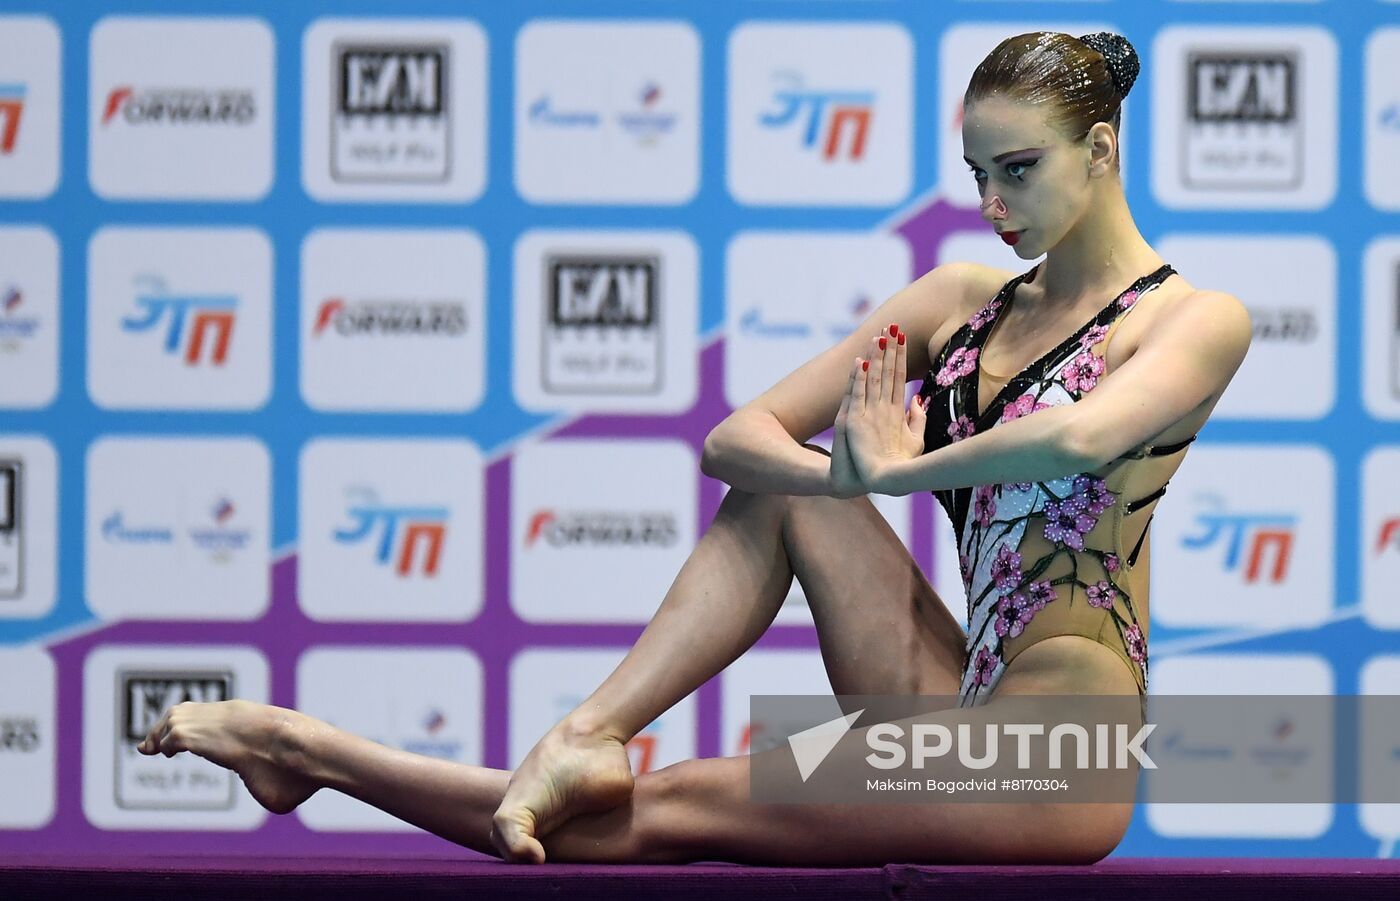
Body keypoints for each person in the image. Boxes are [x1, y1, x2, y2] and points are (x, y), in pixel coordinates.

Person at [137, 31, 1251, 866]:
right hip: (958, 699)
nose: (990, 204)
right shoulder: (962, 301)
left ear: (1098, 150)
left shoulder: (1192, 318)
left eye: (1017, 170)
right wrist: (840, 477)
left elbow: (1084, 430)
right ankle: (589, 725)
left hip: (1057, 753)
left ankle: (307, 749)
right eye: (975, 174)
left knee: (661, 813)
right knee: (786, 495)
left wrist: (895, 470)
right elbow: (736, 439)